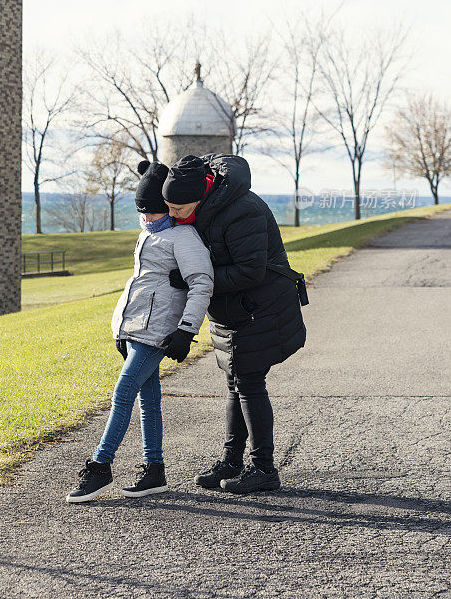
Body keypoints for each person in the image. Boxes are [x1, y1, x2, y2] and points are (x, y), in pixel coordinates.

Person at [66, 159, 214, 503]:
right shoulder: (147, 233)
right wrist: (122, 329)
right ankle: (154, 471)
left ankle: (100, 467)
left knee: (123, 392)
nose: (147, 219)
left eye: (153, 213)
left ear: (169, 208)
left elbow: (202, 283)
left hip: (159, 331)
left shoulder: (184, 237)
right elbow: (141, 284)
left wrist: (186, 330)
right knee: (148, 400)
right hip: (135, 329)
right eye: (142, 214)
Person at [162, 153, 307, 494]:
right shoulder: (202, 207)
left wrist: (195, 278)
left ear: (201, 194)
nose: (173, 216)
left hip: (261, 306)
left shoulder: (243, 209)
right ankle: (231, 461)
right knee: (235, 382)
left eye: (178, 209)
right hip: (232, 309)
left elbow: (250, 270)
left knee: (249, 382)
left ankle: (264, 469)